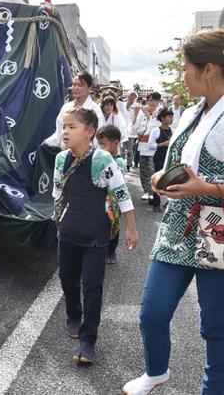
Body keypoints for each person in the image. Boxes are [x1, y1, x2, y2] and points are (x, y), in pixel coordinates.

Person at [123, 29, 224, 395]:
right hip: (179, 226)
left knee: (216, 330)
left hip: (218, 234)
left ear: (208, 69)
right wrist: (164, 177)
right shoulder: (194, 111)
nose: (182, 74)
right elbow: (179, 161)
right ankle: (156, 371)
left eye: (185, 68)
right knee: (152, 311)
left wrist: (206, 188)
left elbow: (204, 177)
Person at [53, 107, 139, 364]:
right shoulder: (60, 159)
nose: (65, 132)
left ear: (89, 132)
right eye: (64, 127)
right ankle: (73, 314)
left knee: (92, 287)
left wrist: (132, 229)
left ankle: (88, 340)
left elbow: (122, 193)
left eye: (72, 127)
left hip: (95, 235)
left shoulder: (103, 160)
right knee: (67, 279)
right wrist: (54, 221)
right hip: (67, 231)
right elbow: (57, 194)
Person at [44, 71, 103, 149]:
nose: (75, 88)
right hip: (65, 154)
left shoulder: (95, 109)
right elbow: (59, 133)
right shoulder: (66, 107)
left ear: (90, 88)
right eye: (74, 85)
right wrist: (47, 143)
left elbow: (97, 137)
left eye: (80, 85)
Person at [96, 124, 128, 264]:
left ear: (116, 143)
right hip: (98, 198)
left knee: (113, 224)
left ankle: (111, 250)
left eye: (103, 145)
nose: (100, 148)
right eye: (99, 145)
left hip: (113, 201)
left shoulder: (119, 161)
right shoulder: (98, 158)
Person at [132, 91, 162, 201]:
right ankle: (146, 191)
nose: (152, 103)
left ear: (158, 102)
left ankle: (153, 192)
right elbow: (135, 128)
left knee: (152, 169)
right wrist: (136, 114)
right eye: (150, 100)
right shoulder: (142, 112)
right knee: (143, 170)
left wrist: (150, 116)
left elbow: (157, 128)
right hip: (142, 145)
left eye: (155, 100)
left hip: (154, 146)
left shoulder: (160, 112)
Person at [147, 108, 173, 213]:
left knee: (170, 181)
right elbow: (151, 145)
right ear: (162, 118)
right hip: (158, 157)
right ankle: (156, 204)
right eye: (169, 116)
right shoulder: (156, 131)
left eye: (172, 116)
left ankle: (169, 203)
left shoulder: (173, 131)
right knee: (158, 181)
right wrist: (162, 144)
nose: (171, 119)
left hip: (169, 158)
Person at [123, 91, 138, 170]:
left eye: (134, 96)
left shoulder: (136, 107)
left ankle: (128, 164)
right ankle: (121, 164)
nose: (132, 97)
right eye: (131, 95)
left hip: (131, 132)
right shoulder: (122, 104)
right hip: (122, 131)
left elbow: (136, 121)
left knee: (129, 150)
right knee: (121, 150)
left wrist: (136, 113)